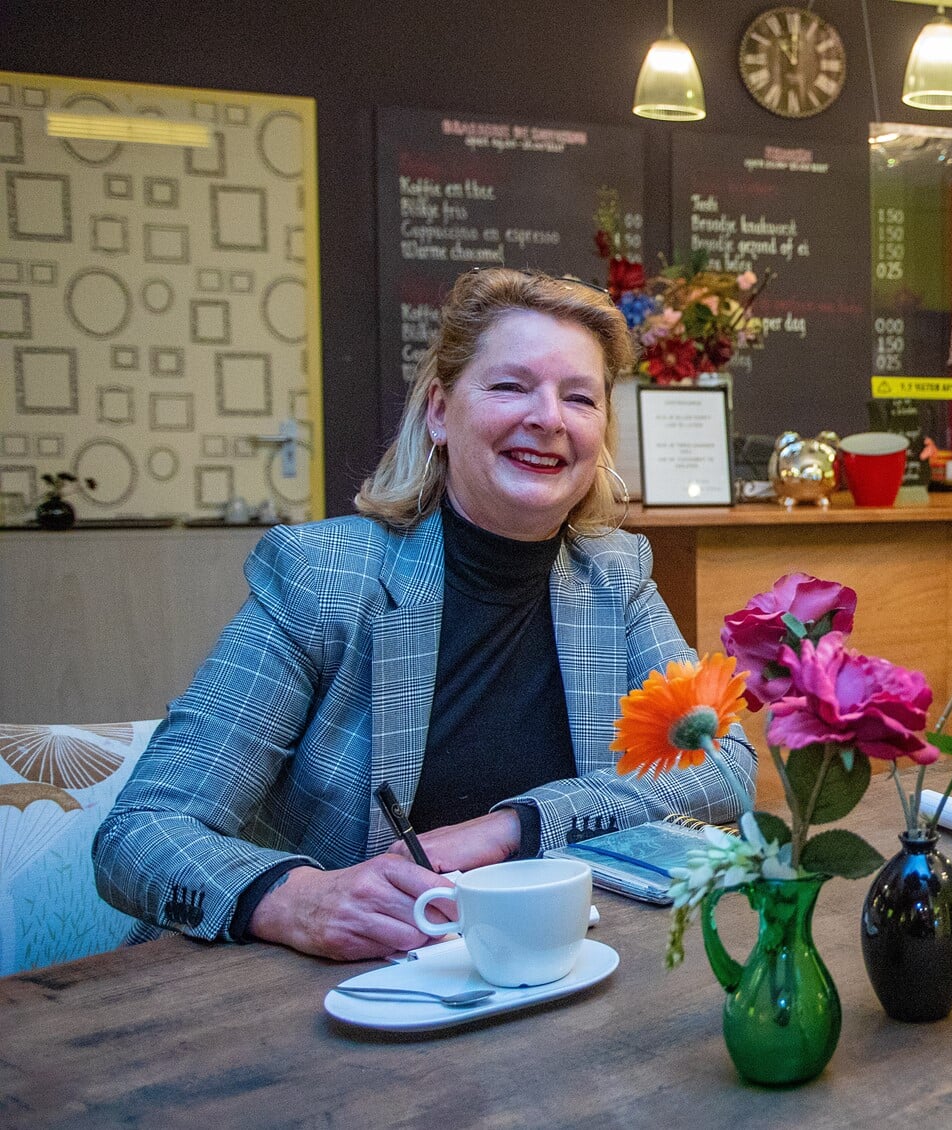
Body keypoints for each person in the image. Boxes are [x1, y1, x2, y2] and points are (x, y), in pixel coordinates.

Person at [95, 268, 755, 959]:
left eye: (580, 398)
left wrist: (514, 826)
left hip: (537, 963)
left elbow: (723, 764)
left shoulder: (613, 576)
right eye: (510, 385)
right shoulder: (321, 577)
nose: (549, 418)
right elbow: (142, 830)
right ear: (440, 411)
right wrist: (297, 901)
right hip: (316, 986)